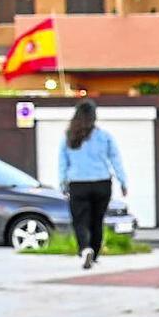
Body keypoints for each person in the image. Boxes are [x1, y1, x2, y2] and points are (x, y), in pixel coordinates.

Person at [59, 100, 127, 270]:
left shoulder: (69, 137)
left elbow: (62, 163)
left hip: (78, 184)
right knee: (97, 220)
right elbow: (115, 159)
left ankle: (85, 249)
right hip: (102, 183)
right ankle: (94, 254)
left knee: (80, 220)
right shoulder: (104, 136)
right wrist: (122, 181)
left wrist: (62, 183)